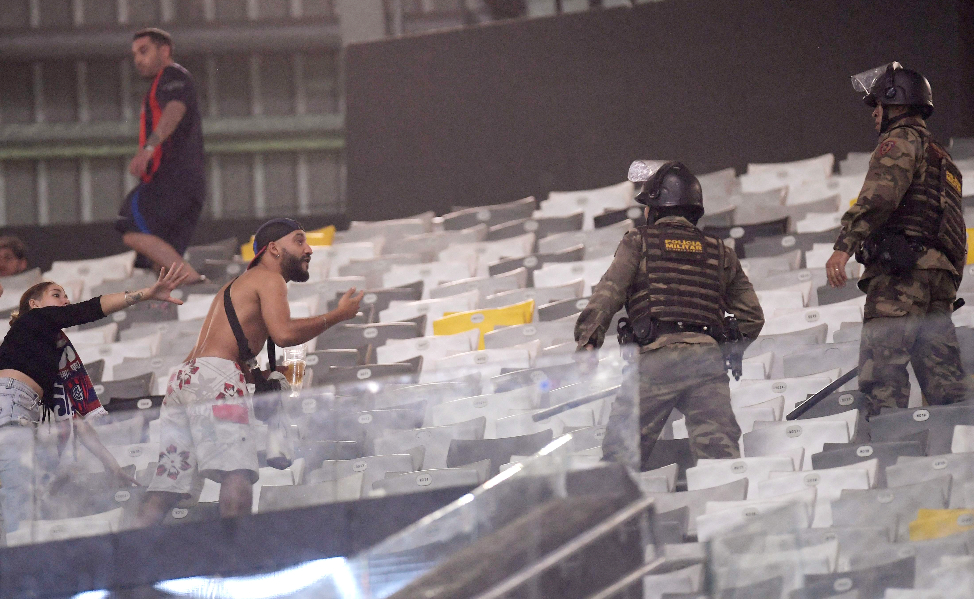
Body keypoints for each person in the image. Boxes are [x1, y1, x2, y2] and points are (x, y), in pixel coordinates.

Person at [135, 218, 364, 524]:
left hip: (184, 380)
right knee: (237, 472)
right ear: (273, 250)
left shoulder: (237, 286)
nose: (309, 249)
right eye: (298, 241)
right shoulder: (269, 279)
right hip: (217, 378)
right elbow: (283, 334)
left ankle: (130, 557)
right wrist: (337, 315)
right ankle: (236, 558)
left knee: (167, 487)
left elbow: (227, 348)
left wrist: (256, 377)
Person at [574, 161, 764, 469]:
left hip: (656, 358)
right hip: (706, 361)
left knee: (619, 460)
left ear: (655, 208)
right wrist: (723, 348)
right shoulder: (720, 251)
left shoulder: (639, 241)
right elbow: (752, 317)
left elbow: (609, 292)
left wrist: (588, 341)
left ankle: (623, 517)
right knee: (720, 460)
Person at [0, 266, 188, 534]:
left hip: (20, 409)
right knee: (18, 497)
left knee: (22, 498)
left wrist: (111, 465)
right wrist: (147, 293)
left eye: (65, 295)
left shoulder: (46, 355)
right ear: (35, 304)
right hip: (10, 403)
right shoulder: (33, 321)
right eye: (57, 295)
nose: (65, 301)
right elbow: (89, 309)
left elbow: (74, 421)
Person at [826, 62, 966, 417]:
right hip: (939, 281)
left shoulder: (900, 140)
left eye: (878, 105)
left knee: (882, 379)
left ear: (896, 103)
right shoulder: (945, 160)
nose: (874, 113)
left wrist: (844, 247)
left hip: (901, 276)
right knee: (946, 387)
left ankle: (884, 460)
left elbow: (879, 198)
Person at [115, 28, 206, 283]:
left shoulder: (172, 76)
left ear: (164, 51)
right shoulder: (162, 83)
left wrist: (148, 149)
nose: (138, 60)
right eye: (134, 54)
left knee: (130, 228)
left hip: (173, 177)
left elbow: (175, 110)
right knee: (161, 260)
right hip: (190, 184)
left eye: (144, 51)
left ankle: (197, 283)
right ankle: (192, 296)